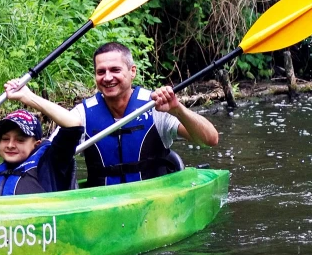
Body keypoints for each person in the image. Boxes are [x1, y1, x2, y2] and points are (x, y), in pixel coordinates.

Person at [66, 42, 219, 186]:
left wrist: (177, 109)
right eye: (101, 72)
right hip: (103, 202)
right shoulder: (83, 114)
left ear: (132, 71)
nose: (107, 77)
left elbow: (210, 140)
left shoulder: (155, 107)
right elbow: (51, 153)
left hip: (155, 201)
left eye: (115, 70)